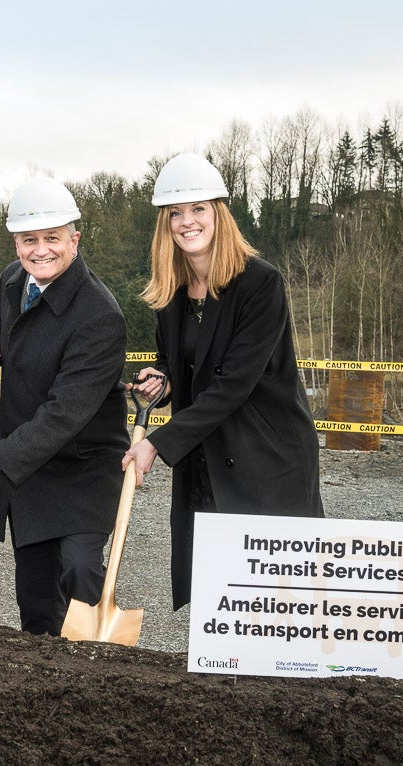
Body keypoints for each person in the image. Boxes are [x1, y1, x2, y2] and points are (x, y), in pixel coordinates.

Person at [124, 153, 324, 611]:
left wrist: (157, 443)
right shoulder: (170, 290)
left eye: (199, 209)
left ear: (220, 213)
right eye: (176, 213)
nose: (187, 221)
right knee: (218, 594)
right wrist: (164, 379)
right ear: (165, 224)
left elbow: (234, 383)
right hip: (206, 457)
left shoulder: (260, 283)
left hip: (266, 459)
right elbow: (180, 363)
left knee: (274, 598)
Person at [0, 177, 129, 636]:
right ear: (16, 242)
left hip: (83, 467)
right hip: (30, 472)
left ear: (74, 239)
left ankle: (96, 669)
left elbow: (66, 411)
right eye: (29, 240)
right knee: (35, 602)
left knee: (78, 572)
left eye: (52, 238)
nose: (41, 250)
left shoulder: (100, 315)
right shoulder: (14, 281)